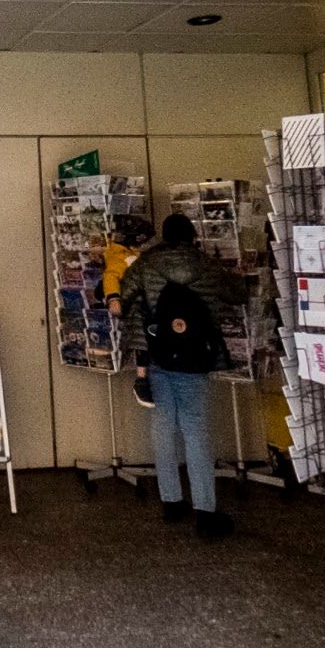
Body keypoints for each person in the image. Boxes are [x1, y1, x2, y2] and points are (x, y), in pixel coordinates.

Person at [118, 212, 247, 538]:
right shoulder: (206, 264)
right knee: (195, 431)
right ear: (191, 236)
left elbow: (126, 293)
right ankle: (205, 510)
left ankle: (171, 500)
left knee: (163, 427)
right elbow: (238, 294)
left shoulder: (146, 265)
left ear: (164, 236)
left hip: (158, 354)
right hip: (195, 358)